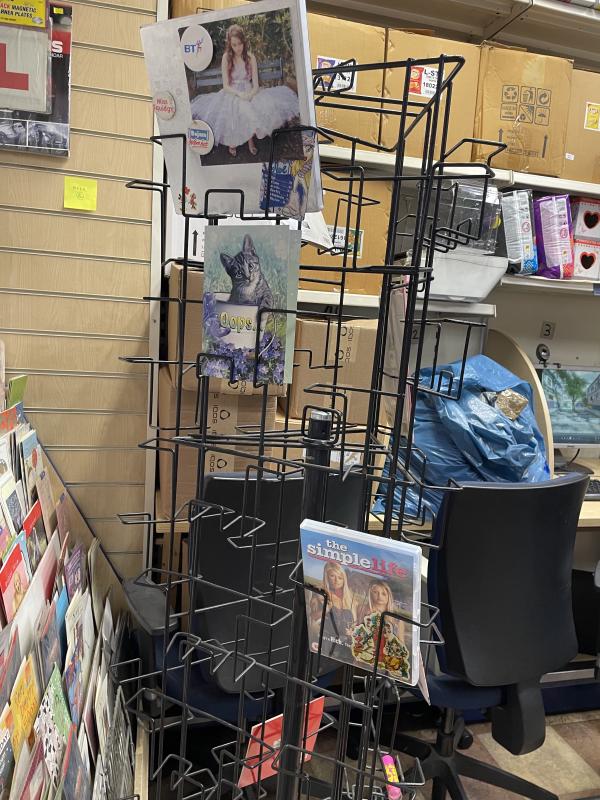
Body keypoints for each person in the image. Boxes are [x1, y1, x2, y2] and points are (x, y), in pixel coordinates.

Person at [191, 23, 300, 158]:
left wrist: (250, 94)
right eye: (234, 45)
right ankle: (233, 140)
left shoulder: (250, 57)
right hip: (232, 92)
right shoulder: (226, 57)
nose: (238, 48)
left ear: (244, 42)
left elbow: (255, 85)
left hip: (249, 90)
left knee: (254, 108)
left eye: (240, 44)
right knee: (235, 108)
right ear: (230, 44)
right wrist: (239, 94)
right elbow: (225, 85)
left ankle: (250, 141)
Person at [321, 560, 354, 657]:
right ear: (326, 577)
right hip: (326, 642)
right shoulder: (322, 594)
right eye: (332, 576)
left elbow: (353, 625)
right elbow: (314, 618)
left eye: (340, 577)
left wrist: (351, 632)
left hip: (345, 646)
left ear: (344, 580)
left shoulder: (349, 599)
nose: (336, 580)